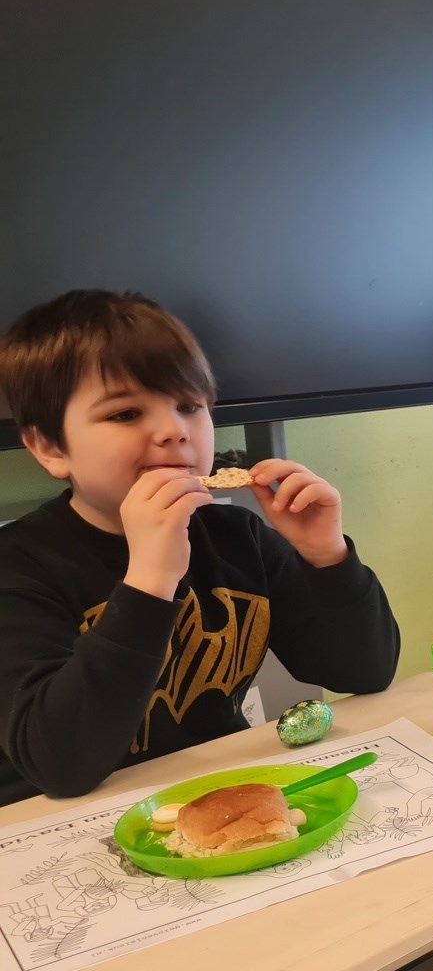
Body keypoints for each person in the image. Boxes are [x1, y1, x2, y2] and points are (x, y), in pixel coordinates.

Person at [0, 290, 401, 804]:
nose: (173, 430)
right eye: (125, 414)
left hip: (214, 794)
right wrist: (149, 582)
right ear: (51, 448)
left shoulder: (238, 537)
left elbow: (363, 673)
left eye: (190, 406)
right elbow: (58, 767)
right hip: (53, 826)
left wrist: (326, 556)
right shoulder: (18, 570)